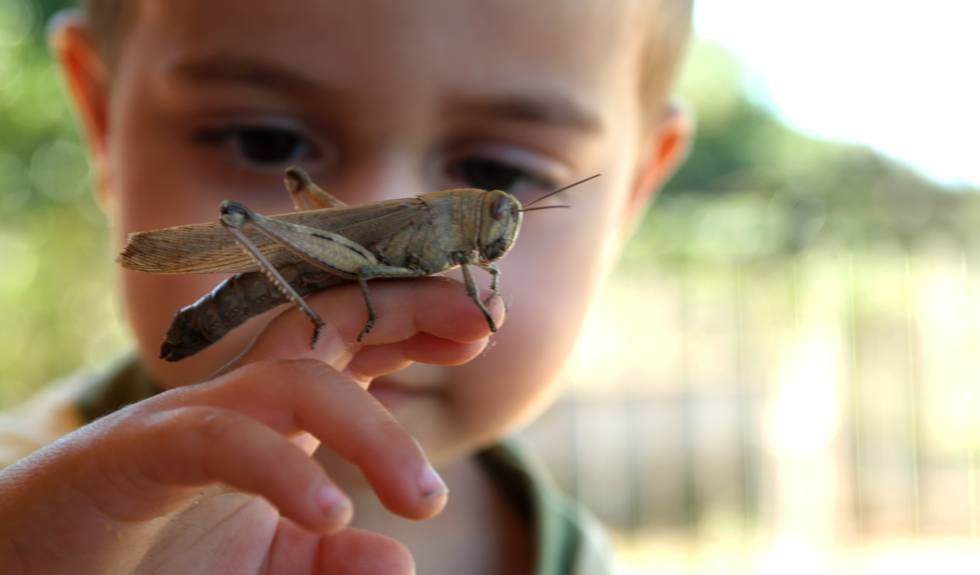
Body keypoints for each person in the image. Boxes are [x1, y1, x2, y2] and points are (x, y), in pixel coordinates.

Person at [0, 0, 693, 573]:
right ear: (98, 122)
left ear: (637, 192)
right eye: (265, 141)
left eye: (503, 171)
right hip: (304, 255)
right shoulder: (22, 485)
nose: (387, 191)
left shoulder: (584, 557)